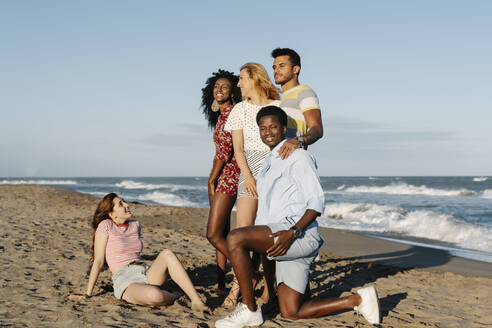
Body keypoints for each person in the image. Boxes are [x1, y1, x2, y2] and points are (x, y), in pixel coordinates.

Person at [215, 106, 380, 328]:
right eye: (262, 128)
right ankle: (358, 300)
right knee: (292, 311)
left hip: (298, 236)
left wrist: (292, 233)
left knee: (235, 238)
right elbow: (266, 218)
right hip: (280, 239)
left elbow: (316, 203)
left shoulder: (299, 156)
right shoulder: (267, 163)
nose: (267, 132)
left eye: (273, 127)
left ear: (284, 128)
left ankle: (249, 309)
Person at [68, 193, 209, 312]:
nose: (126, 205)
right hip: (125, 278)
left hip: (145, 271)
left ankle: (196, 300)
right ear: (112, 214)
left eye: (124, 202)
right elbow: (98, 261)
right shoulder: (106, 226)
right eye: (120, 205)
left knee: (167, 253)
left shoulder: (135, 225)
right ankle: (174, 295)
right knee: (156, 296)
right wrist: (87, 293)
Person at [222, 63, 280, 307]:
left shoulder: (277, 106)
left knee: (269, 232)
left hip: (274, 169)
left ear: (255, 79)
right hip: (249, 171)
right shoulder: (239, 110)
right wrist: (249, 177)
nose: (238, 84)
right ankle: (237, 288)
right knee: (242, 231)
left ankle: (269, 290)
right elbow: (237, 149)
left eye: (241, 79)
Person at [201, 70, 242, 292]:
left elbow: (225, 150)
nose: (219, 89)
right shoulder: (222, 115)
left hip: (229, 175)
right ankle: (220, 282)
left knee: (213, 234)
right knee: (222, 232)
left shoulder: (232, 114)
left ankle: (247, 272)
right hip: (224, 174)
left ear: (234, 92)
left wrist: (212, 177)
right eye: (216, 86)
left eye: (225, 86)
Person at [271, 47, 324, 159]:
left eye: (282, 66)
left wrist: (298, 140)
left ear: (296, 69)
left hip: (292, 158)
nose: (276, 70)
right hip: (275, 159)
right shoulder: (278, 99)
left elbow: (317, 129)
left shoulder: (304, 92)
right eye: (274, 67)